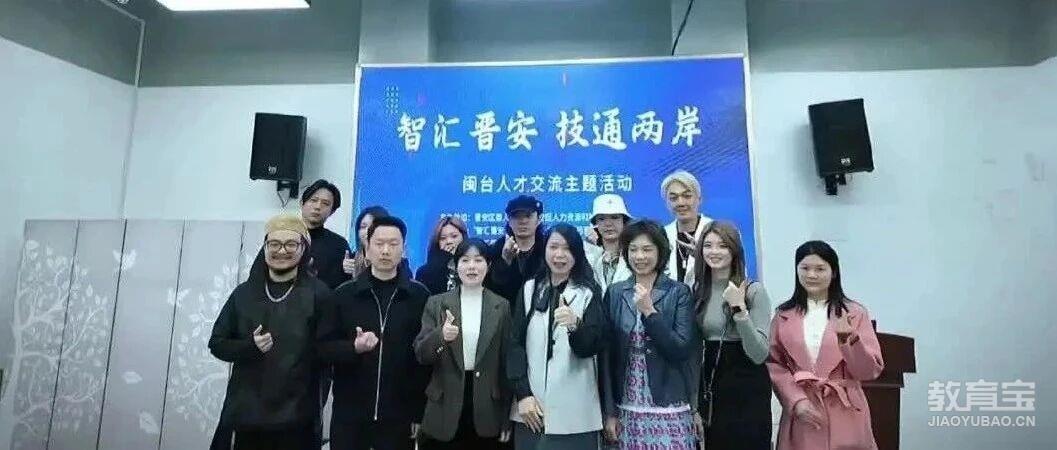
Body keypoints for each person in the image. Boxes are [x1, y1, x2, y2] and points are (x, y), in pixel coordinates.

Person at [209, 214, 334, 450]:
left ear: (304, 249)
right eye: (274, 244)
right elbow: (217, 343)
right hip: (247, 415)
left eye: (291, 244)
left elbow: (327, 353)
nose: (281, 251)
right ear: (265, 248)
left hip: (296, 417)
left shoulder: (319, 295)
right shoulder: (244, 294)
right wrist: (249, 346)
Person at [320, 216, 432, 450]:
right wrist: (354, 348)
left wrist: (419, 411)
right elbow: (323, 348)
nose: (385, 250)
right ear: (367, 248)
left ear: (404, 249)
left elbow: (423, 362)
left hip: (399, 415)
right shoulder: (344, 295)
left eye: (393, 244)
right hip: (350, 414)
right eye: (379, 243)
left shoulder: (419, 296)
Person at [767, 241, 884, 450]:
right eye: (805, 268)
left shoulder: (855, 313)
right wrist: (796, 400)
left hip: (846, 411)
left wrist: (849, 340)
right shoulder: (783, 316)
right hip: (804, 411)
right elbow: (774, 364)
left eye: (820, 269)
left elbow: (869, 371)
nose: (811, 275)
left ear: (834, 272)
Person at [507, 223, 606, 450]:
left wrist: (576, 326)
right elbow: (515, 345)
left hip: (575, 413)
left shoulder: (588, 292)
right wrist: (523, 395)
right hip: (531, 410)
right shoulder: (530, 289)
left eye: (567, 248)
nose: (559, 255)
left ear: (577, 254)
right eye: (553, 247)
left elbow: (592, 346)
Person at [601, 219, 698, 449]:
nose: (639, 256)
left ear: (660, 252)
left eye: (647, 249)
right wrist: (610, 411)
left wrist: (650, 312)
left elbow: (681, 349)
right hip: (627, 404)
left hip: (669, 402)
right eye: (633, 250)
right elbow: (607, 356)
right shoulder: (616, 293)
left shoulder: (679, 292)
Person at [414, 238, 513, 449]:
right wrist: (441, 336)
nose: (472, 267)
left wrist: (506, 416)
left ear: (488, 265)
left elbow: (505, 364)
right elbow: (421, 354)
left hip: (487, 406)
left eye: (478, 260)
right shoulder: (437, 303)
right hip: (444, 404)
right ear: (455, 265)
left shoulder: (501, 306)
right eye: (465, 260)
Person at [691, 221, 772, 449]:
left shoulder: (754, 291)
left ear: (734, 250)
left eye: (722, 245)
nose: (714, 251)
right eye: (708, 245)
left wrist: (740, 310)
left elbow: (759, 354)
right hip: (710, 384)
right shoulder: (698, 290)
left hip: (747, 385)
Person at [487, 195, 547, 303]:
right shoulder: (496, 249)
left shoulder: (547, 247)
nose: (523, 221)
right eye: (516, 216)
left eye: (528, 216)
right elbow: (491, 289)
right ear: (509, 221)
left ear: (538, 219)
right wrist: (505, 261)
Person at [661, 170, 711, 286]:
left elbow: (735, 273)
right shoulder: (662, 235)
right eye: (673, 198)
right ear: (667, 203)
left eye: (687, 196)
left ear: (699, 199)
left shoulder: (718, 232)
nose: (681, 203)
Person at [584, 194, 633, 292]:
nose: (608, 224)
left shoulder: (635, 256)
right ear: (595, 224)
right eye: (601, 219)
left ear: (624, 221)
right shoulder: (586, 256)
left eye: (614, 217)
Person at [416, 216, 469, 295]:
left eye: (454, 236)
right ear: (437, 242)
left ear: (463, 237)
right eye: (443, 238)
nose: (449, 241)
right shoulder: (424, 272)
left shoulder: (473, 267)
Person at [343, 205, 390, 279]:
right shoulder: (351, 261)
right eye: (363, 227)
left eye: (373, 226)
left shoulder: (395, 261)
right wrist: (344, 272)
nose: (367, 231)